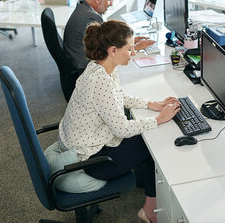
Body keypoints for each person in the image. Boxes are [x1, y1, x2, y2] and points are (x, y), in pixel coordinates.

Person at [59, 19, 181, 223]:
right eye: (130, 49)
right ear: (113, 50)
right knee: (154, 144)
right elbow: (122, 129)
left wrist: (151, 103)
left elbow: (117, 96)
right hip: (92, 160)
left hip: (83, 143)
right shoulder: (101, 81)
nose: (133, 53)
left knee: (147, 134)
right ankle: (150, 211)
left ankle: (150, 203)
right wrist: (159, 119)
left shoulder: (100, 67)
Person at [63, 0, 154, 72]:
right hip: (83, 67)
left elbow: (107, 42)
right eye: (109, 0)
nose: (111, 3)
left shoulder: (83, 8)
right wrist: (134, 48)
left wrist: (130, 41)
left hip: (76, 59)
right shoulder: (91, 18)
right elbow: (106, 50)